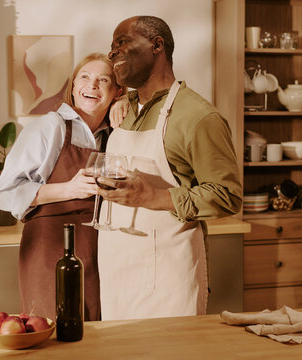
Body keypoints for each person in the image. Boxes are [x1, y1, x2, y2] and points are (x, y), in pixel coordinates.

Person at [97, 16, 242, 320]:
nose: (113, 54)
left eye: (122, 42)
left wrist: (153, 197)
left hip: (166, 280)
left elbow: (227, 195)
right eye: (111, 49)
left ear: (157, 45)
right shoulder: (124, 111)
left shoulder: (198, 117)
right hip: (115, 274)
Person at [0, 53, 123, 321]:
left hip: (100, 250)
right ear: (73, 87)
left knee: (96, 335)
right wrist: (69, 189)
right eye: (84, 77)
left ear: (116, 92)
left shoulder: (115, 134)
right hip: (50, 249)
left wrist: (128, 104)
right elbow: (4, 194)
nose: (92, 85)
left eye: (103, 80)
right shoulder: (49, 126)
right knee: (53, 331)